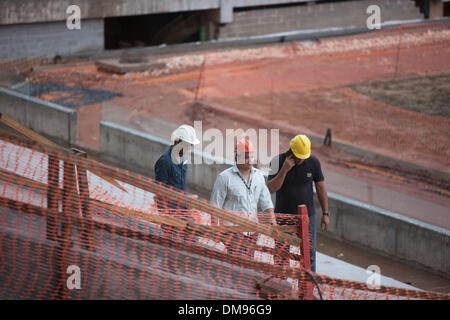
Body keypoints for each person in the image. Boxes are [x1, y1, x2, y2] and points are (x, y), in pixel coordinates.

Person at [267, 134, 329, 272]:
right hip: (283, 217)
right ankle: (280, 286)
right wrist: (284, 170)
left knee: (309, 255)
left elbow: (321, 187)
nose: (301, 159)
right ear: (291, 150)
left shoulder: (313, 162)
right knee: (281, 255)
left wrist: (325, 213)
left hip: (307, 218)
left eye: (304, 156)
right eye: (299, 156)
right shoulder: (277, 161)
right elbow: (270, 189)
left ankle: (307, 289)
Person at [210, 138, 277, 258]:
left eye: (251, 156)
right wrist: (216, 231)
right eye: (246, 157)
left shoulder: (259, 176)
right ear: (236, 157)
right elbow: (215, 206)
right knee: (238, 263)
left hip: (252, 231)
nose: (250, 160)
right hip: (232, 231)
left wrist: (272, 219)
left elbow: (266, 200)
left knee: (247, 265)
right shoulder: (225, 178)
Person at [154, 124, 200, 208]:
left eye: (191, 145)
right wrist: (165, 216)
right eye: (187, 145)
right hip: (170, 210)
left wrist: (187, 199)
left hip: (182, 208)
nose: (189, 148)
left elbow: (180, 187)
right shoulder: (165, 161)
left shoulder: (183, 159)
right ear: (178, 141)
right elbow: (159, 192)